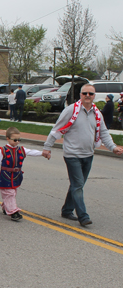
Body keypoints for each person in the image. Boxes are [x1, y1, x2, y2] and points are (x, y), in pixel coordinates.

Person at [42, 84, 123, 226]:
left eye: (90, 94)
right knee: (78, 185)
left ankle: (67, 210)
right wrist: (47, 147)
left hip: (88, 154)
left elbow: (103, 132)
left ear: (94, 96)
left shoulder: (97, 113)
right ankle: (83, 216)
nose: (87, 96)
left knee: (77, 185)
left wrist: (113, 147)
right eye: (84, 93)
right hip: (72, 154)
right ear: (80, 95)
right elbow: (57, 129)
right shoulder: (71, 110)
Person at [0, 127, 45, 221]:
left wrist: (42, 153)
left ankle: (6, 207)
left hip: (16, 175)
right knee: (10, 193)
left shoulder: (21, 149)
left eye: (19, 140)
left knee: (13, 193)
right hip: (6, 175)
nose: (17, 142)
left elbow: (31, 152)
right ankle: (13, 212)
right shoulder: (3, 150)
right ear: (8, 138)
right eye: (15, 140)